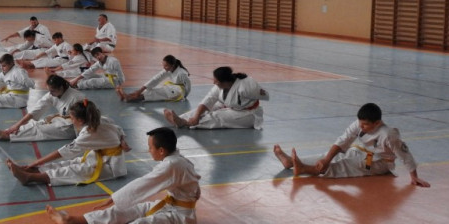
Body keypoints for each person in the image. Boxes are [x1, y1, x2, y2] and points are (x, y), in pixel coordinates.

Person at [46, 126, 201, 224]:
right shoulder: (178, 160)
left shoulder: (172, 164)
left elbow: (144, 183)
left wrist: (114, 197)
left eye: (150, 147)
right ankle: (71, 220)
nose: (149, 151)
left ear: (161, 150)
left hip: (181, 220)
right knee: (123, 210)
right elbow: (194, 181)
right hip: (169, 206)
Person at [273, 102, 430, 187]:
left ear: (377, 123)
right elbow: (343, 140)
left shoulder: (389, 135)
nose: (361, 127)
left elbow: (405, 155)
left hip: (379, 162)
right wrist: (326, 160)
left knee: (346, 164)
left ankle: (306, 169)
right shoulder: (360, 123)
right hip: (361, 151)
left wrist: (414, 177)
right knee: (328, 156)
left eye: (365, 125)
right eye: (360, 123)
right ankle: (290, 162)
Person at [6, 99, 130, 186]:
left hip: (110, 166)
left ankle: (30, 177)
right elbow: (118, 128)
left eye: (72, 118)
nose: (71, 120)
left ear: (80, 120)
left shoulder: (89, 133)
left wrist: (36, 161)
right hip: (99, 156)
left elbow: (62, 152)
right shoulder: (100, 119)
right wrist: (122, 139)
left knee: (74, 170)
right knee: (70, 163)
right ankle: (31, 170)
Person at [164, 66, 268, 129]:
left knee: (217, 116)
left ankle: (185, 123)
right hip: (229, 105)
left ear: (225, 81)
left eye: (216, 81)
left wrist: (257, 93)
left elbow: (264, 95)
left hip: (248, 114)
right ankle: (181, 118)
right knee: (204, 109)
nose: (214, 82)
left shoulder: (246, 86)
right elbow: (208, 100)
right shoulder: (220, 86)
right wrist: (196, 116)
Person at [0, 74, 83, 141]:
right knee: (35, 123)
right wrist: (17, 125)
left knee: (40, 129)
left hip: (71, 128)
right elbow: (37, 109)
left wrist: (82, 137)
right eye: (49, 91)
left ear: (61, 88)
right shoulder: (53, 94)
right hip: (61, 120)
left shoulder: (76, 98)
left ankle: (5, 136)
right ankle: (4, 132)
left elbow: (84, 120)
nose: (50, 93)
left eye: (52, 91)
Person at [117, 55, 191, 103]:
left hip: (179, 91)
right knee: (151, 89)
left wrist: (184, 96)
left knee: (156, 93)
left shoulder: (182, 73)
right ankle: (130, 95)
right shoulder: (168, 70)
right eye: (163, 65)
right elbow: (156, 78)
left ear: (173, 65)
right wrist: (141, 90)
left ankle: (130, 98)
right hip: (172, 87)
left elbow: (188, 86)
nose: (164, 68)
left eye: (166, 66)